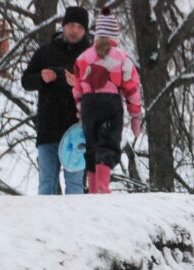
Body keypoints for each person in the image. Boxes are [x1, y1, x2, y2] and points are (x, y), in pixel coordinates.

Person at [21, 7, 92, 195]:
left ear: (85, 30)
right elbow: (25, 81)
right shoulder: (45, 52)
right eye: (71, 25)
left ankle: (74, 224)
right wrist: (41, 78)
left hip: (77, 131)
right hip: (48, 128)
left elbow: (103, 92)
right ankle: (44, 224)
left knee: (75, 186)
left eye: (79, 26)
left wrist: (78, 85)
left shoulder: (91, 57)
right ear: (63, 26)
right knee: (46, 184)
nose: (74, 30)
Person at [72, 8, 142, 194]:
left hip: (88, 104)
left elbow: (77, 86)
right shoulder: (121, 58)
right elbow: (132, 87)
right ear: (115, 37)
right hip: (110, 103)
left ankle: (94, 188)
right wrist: (135, 115)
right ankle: (103, 186)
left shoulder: (83, 58)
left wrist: (80, 107)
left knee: (92, 144)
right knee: (108, 141)